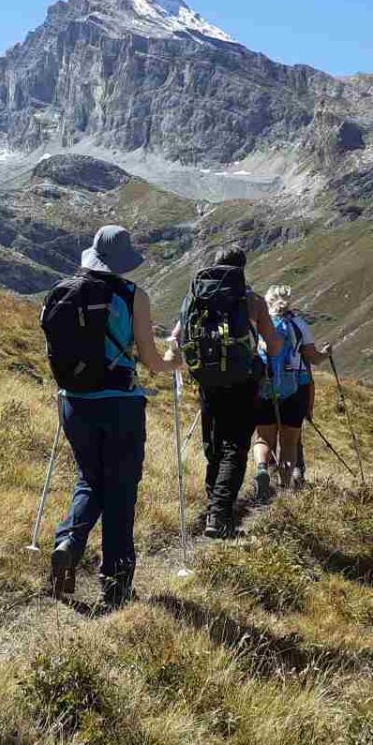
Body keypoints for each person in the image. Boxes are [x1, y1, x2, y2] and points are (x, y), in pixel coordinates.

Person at [46, 226, 178, 609]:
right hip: (120, 403)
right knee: (120, 491)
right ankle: (116, 585)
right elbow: (152, 362)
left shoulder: (63, 291)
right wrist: (175, 362)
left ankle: (68, 542)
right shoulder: (133, 296)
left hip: (75, 401)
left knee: (90, 478)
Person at [171, 247, 280, 539]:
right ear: (242, 268)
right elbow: (274, 344)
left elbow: (176, 337)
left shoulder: (197, 297)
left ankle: (213, 507)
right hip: (244, 383)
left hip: (207, 381)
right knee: (235, 447)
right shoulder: (252, 301)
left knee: (214, 445)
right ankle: (219, 515)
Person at [253, 286, 329, 492]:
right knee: (289, 442)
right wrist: (326, 353)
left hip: (264, 388)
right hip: (294, 390)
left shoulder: (260, 323)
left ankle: (262, 469)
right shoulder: (298, 324)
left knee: (263, 438)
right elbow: (313, 358)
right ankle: (285, 487)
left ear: (267, 302)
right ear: (289, 302)